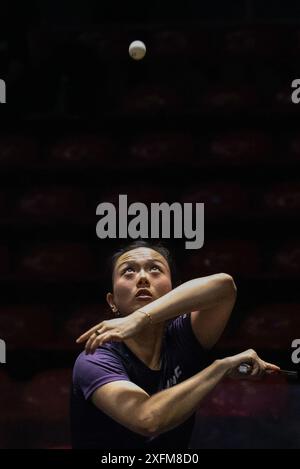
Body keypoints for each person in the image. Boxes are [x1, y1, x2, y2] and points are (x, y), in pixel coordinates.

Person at [71, 240, 280, 449]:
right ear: (112, 301)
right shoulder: (96, 359)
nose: (143, 278)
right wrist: (220, 368)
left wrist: (142, 317)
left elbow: (225, 287)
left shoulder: (181, 338)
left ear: (173, 292)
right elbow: (147, 419)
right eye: (128, 271)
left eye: (154, 269)